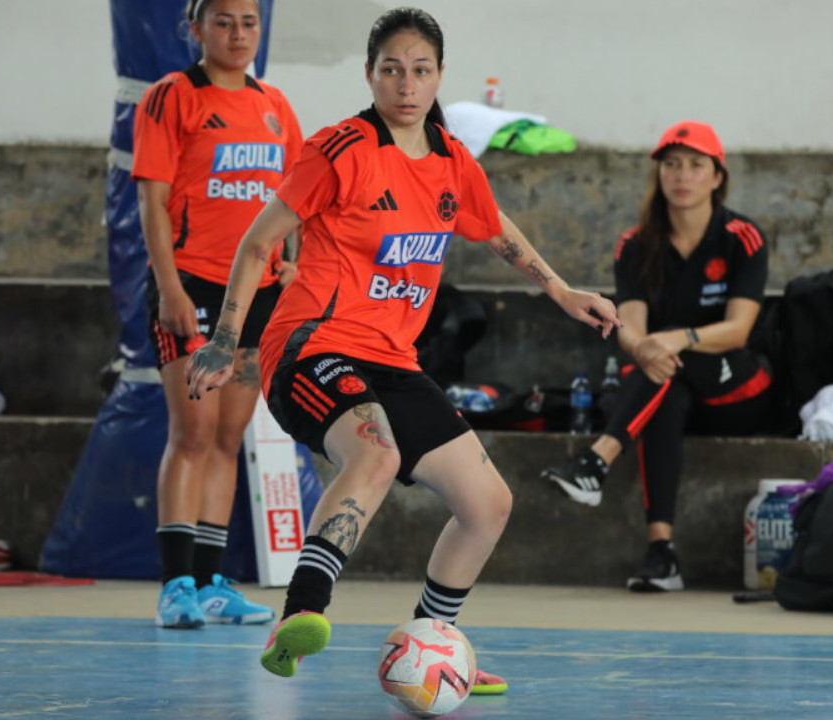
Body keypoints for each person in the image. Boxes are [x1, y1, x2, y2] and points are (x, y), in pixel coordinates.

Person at [185, 6, 619, 693]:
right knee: (377, 451)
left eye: (420, 71)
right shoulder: (341, 149)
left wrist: (563, 291)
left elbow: (497, 228)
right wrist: (224, 339)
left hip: (394, 362)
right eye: (392, 70)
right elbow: (259, 241)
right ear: (371, 75)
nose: (407, 84)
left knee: (488, 504)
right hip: (310, 348)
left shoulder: (450, 161)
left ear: (439, 76)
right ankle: (296, 618)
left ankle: (434, 641)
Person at [540, 120, 773, 592]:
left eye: (694, 165)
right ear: (659, 174)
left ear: (717, 176)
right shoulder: (636, 244)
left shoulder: (741, 236)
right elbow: (629, 331)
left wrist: (676, 338)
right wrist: (647, 347)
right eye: (671, 165)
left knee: (668, 364)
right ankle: (661, 553)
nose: (682, 175)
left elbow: (738, 331)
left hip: (739, 388)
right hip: (671, 389)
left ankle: (597, 461)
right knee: (662, 384)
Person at [131, 0, 303, 628]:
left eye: (249, 22)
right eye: (223, 21)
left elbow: (298, 196)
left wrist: (295, 261)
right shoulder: (171, 97)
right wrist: (169, 287)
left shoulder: (276, 105)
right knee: (193, 434)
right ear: (196, 28)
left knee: (229, 438)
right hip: (195, 285)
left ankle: (211, 584)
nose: (237, 33)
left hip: (257, 294)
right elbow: (151, 203)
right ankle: (175, 584)